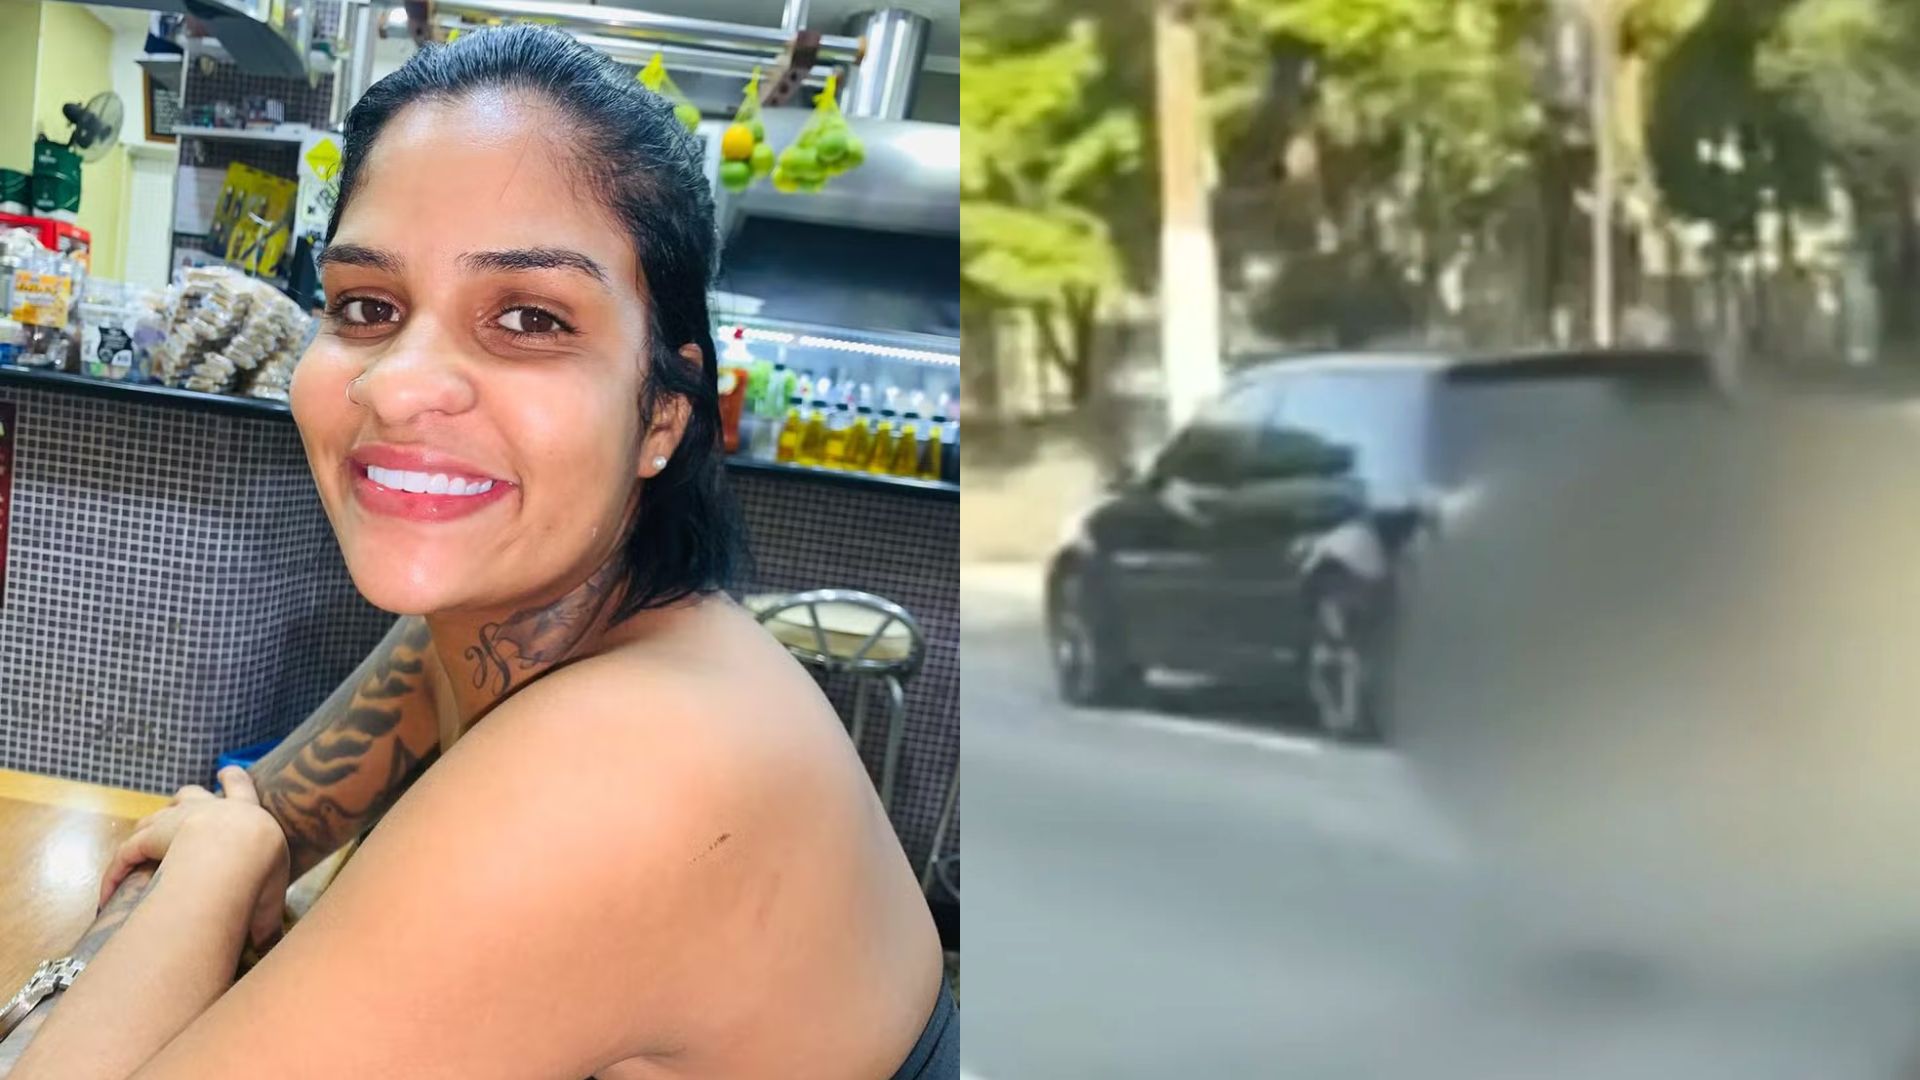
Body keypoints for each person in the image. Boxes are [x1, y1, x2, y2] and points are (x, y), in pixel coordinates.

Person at [5, 25, 950, 1079]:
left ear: (661, 415)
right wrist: (231, 845)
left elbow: (231, 829)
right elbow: (268, 804)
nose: (397, 385)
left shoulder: (618, 769)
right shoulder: (515, 618)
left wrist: (215, 868)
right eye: (367, 306)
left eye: (531, 319)